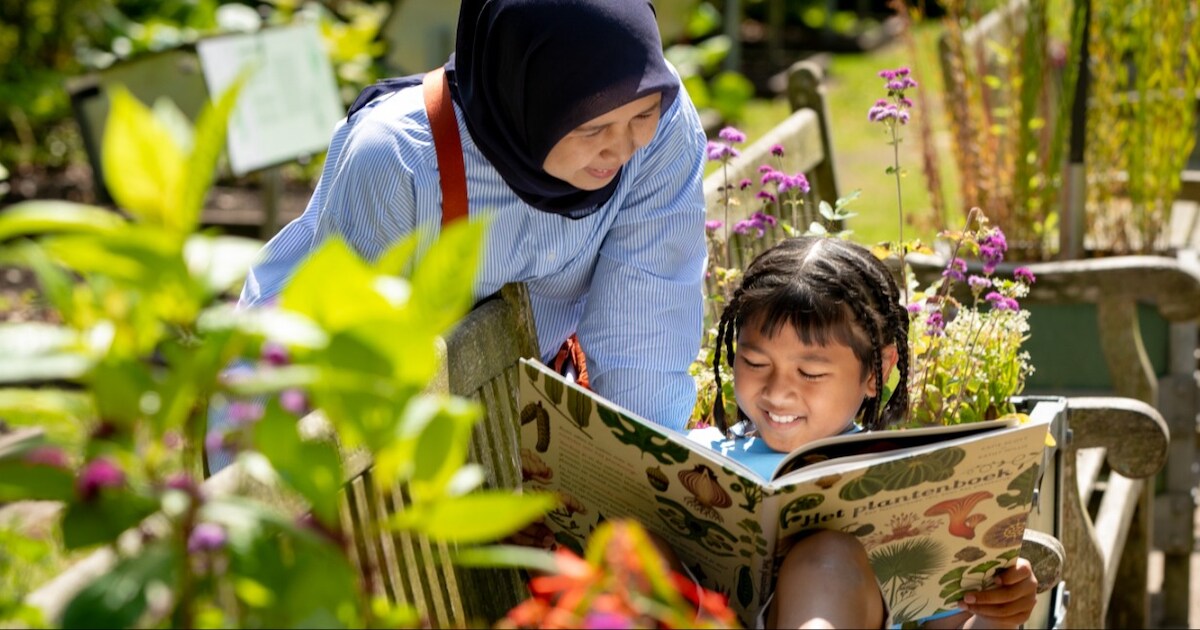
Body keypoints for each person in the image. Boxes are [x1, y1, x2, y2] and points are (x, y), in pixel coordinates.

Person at [207, 0, 708, 473]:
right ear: (525, 94)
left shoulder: (662, 126)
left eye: (640, 115)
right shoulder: (399, 159)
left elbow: (645, 339)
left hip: (484, 409)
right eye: (592, 128)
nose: (623, 147)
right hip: (297, 423)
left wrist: (640, 495)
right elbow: (344, 362)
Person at [685, 235, 1039, 629]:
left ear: (876, 370)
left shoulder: (913, 483)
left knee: (827, 559)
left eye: (810, 373)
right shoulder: (697, 456)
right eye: (754, 362)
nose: (778, 393)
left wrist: (999, 612)